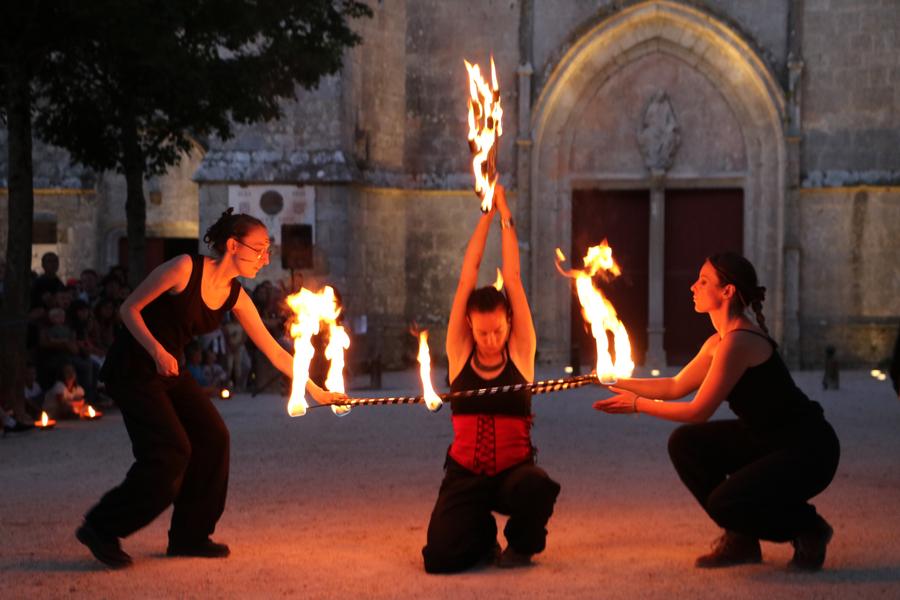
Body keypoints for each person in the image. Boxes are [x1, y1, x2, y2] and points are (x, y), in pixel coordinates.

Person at [76, 209, 345, 569]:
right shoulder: (184, 269)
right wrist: (156, 349)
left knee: (214, 438)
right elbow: (129, 309)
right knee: (171, 452)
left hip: (171, 370)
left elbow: (273, 349)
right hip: (134, 369)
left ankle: (190, 535)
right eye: (260, 248)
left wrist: (315, 389)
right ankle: (101, 527)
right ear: (233, 245)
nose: (266, 258)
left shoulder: (234, 295)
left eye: (269, 249)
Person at [594, 253, 840, 571]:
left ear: (727, 292)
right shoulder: (719, 341)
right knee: (685, 444)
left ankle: (808, 528)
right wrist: (615, 381)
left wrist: (638, 405)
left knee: (725, 502)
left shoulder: (738, 343)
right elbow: (675, 385)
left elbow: (698, 410)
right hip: (767, 438)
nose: (693, 286)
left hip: (807, 450)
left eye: (704, 281)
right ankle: (741, 540)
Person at [422, 185, 561, 573]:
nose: (490, 339)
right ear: (470, 325)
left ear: (508, 324)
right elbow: (468, 275)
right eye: (482, 332)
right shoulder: (459, 351)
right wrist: (484, 213)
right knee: (440, 559)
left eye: (497, 330)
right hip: (466, 474)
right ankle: (482, 533)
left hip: (513, 474)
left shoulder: (520, 352)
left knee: (538, 487)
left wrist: (504, 214)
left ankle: (520, 545)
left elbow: (513, 278)